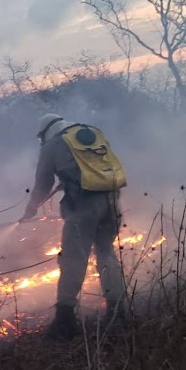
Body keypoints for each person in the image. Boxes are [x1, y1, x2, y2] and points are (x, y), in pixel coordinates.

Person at [20, 114, 128, 339]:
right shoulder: (90, 133)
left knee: (73, 259)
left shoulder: (52, 145)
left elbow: (43, 183)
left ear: (45, 133)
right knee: (106, 252)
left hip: (83, 208)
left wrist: (31, 208)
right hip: (112, 201)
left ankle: (65, 321)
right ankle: (118, 312)